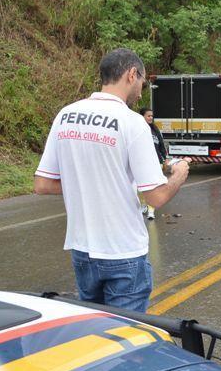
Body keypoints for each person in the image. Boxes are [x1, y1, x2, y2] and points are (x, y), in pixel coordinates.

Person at [33, 48, 189, 312]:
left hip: (82, 251)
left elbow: (43, 184)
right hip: (123, 252)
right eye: (142, 82)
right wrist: (179, 175)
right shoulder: (132, 123)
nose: (142, 91)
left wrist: (85, 183)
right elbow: (156, 196)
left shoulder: (66, 115)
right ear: (131, 75)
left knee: (97, 336)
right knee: (127, 339)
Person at [139, 107, 167, 220]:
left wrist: (165, 159)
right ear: (142, 116)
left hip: (156, 162)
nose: (151, 118)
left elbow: (161, 146)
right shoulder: (137, 129)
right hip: (142, 162)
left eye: (152, 116)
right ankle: (143, 205)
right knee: (140, 188)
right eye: (148, 116)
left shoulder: (155, 130)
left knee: (153, 187)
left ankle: (151, 211)